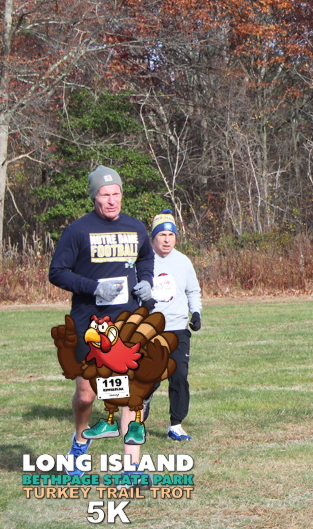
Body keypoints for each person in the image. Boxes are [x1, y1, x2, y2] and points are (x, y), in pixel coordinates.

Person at [48, 165, 154, 476]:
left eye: (116, 194)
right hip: (89, 324)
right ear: (94, 196)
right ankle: (80, 442)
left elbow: (146, 258)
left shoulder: (136, 227)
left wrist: (146, 282)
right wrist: (93, 287)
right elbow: (57, 272)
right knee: (87, 395)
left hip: (126, 322)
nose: (111, 200)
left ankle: (131, 467)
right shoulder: (77, 231)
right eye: (105, 194)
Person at [147, 209, 203, 441]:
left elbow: (193, 290)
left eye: (171, 235)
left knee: (179, 375)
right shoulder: (144, 261)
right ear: (153, 238)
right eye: (162, 235)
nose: (167, 240)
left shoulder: (183, 261)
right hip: (151, 329)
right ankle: (141, 405)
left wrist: (196, 312)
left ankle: (176, 425)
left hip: (178, 328)